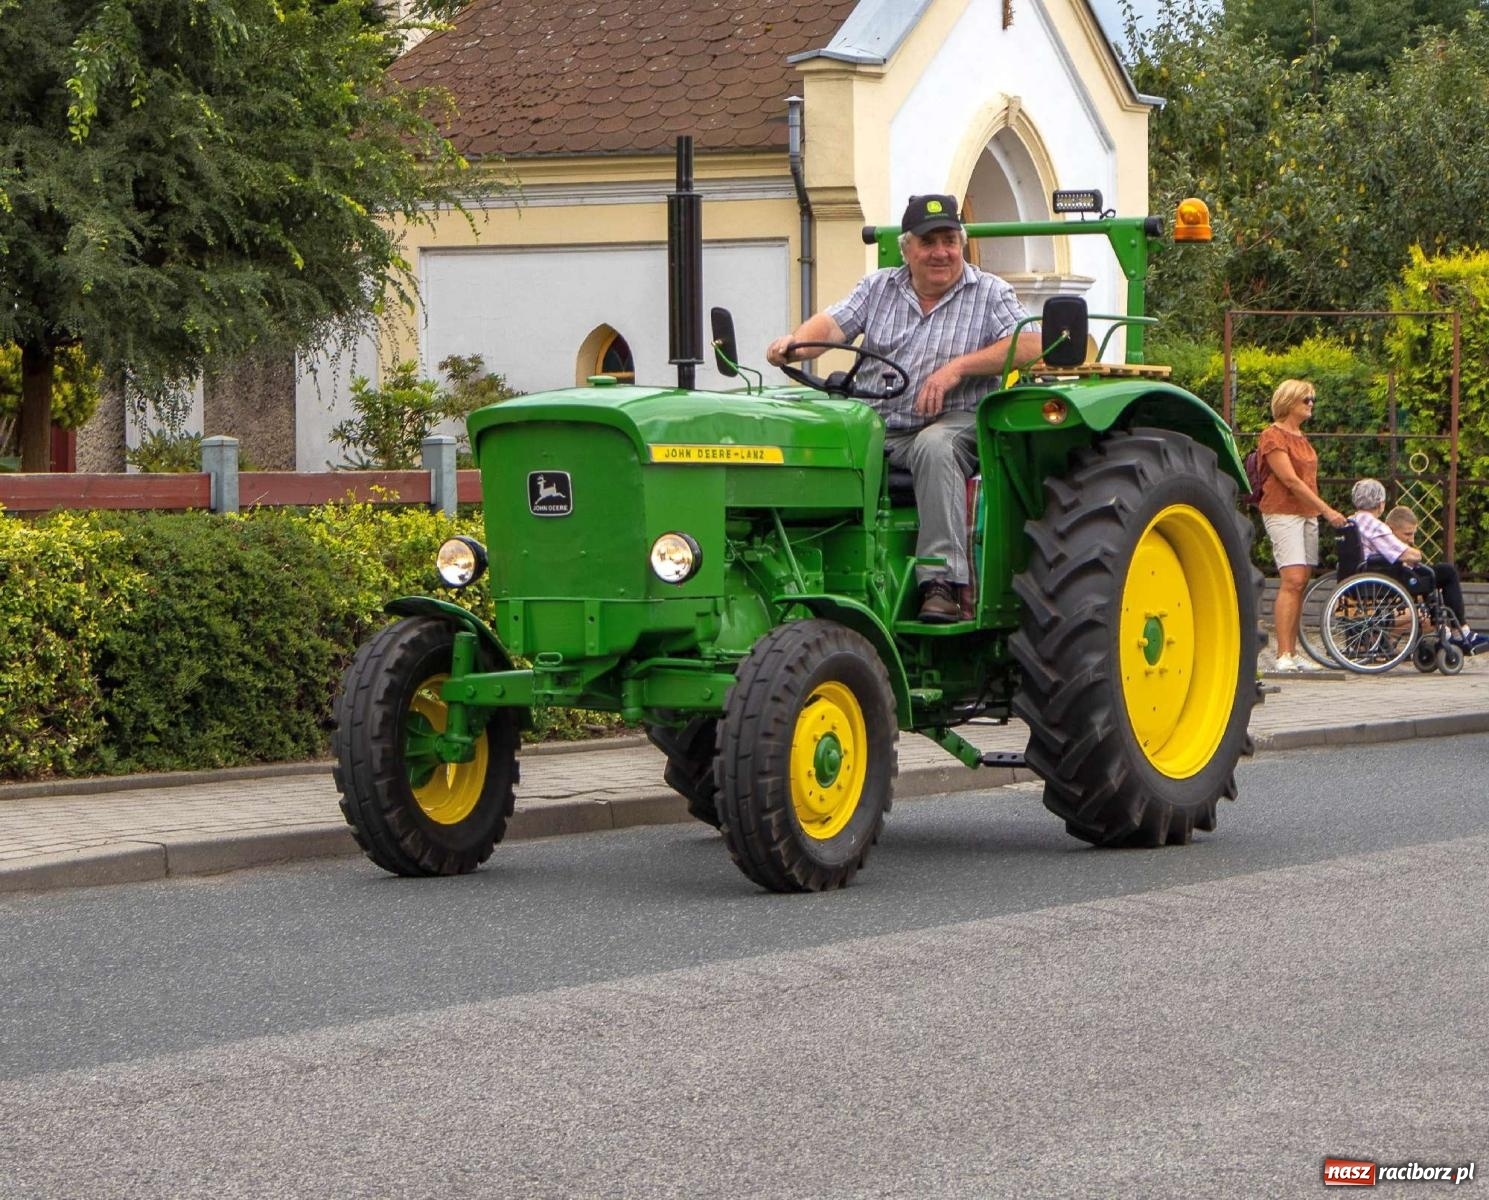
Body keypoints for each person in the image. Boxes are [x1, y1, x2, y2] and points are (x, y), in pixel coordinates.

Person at [766, 193, 1043, 622]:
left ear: (962, 243)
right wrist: (795, 343)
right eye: (929, 242)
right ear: (907, 248)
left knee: (935, 446)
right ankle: (799, 565)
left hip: (957, 421)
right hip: (879, 422)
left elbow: (1030, 344)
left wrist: (956, 370)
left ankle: (942, 584)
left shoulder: (989, 292)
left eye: (949, 240)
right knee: (812, 435)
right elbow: (834, 323)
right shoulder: (879, 287)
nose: (941, 253)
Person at [1257, 378, 1348, 672]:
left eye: (1312, 400)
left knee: (1301, 582)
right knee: (1292, 579)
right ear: (1288, 402)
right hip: (1283, 512)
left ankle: (1292, 652)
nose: (1311, 405)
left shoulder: (1301, 437)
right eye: (1306, 400)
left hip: (1306, 514)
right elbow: (1290, 480)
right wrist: (1327, 510)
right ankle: (1282, 654)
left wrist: (1316, 510)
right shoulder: (1273, 436)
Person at [1351, 483, 1488, 654]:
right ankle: (1461, 633)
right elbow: (1404, 553)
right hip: (1386, 580)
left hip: (1366, 577)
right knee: (1446, 572)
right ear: (1381, 504)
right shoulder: (1375, 525)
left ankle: (1445, 632)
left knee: (1428, 576)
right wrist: (1417, 554)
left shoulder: (1352, 521)